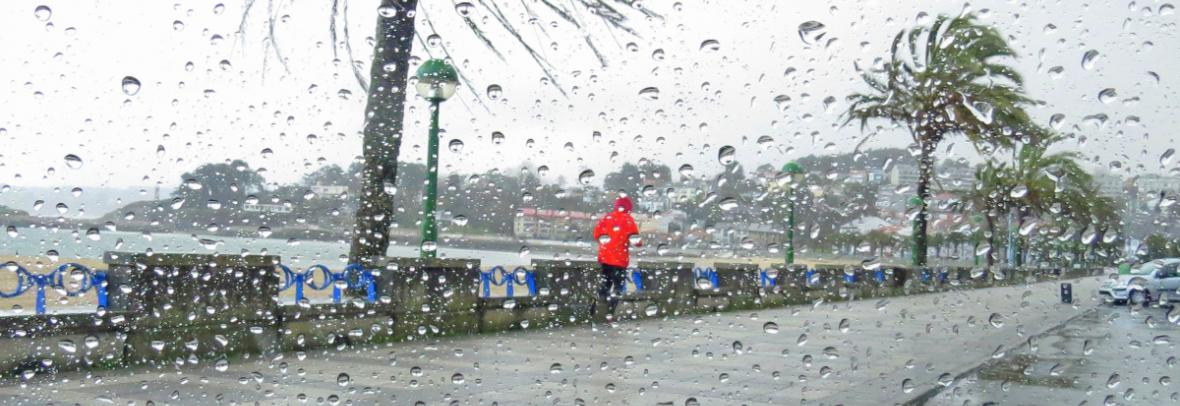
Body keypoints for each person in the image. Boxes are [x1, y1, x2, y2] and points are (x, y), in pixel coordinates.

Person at [590, 195, 641, 319]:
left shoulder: (607, 218)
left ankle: (595, 309)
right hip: (619, 260)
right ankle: (610, 313)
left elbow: (596, 234)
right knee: (617, 287)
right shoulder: (628, 220)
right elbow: (637, 242)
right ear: (628, 208)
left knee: (605, 284)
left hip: (605, 258)